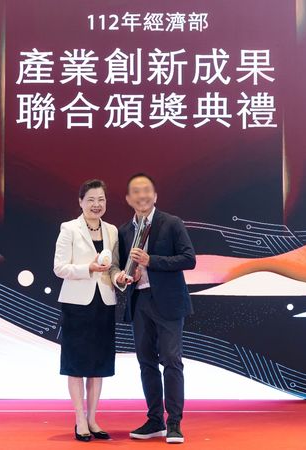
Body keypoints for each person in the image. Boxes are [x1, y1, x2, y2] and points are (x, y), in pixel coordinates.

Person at [115, 173, 196, 445]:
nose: (142, 196)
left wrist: (152, 261)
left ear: (155, 195)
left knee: (171, 360)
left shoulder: (171, 223)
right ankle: (154, 420)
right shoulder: (124, 231)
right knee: (146, 362)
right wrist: (129, 276)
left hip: (169, 302)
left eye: (147, 190)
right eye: (136, 191)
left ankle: (174, 423)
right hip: (139, 301)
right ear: (128, 199)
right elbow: (123, 267)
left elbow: (189, 259)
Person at [53, 179, 122, 442]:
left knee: (98, 365)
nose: (96, 204)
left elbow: (113, 266)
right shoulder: (69, 228)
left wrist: (119, 278)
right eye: (91, 199)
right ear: (80, 202)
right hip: (76, 305)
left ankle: (93, 419)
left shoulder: (112, 230)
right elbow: (59, 268)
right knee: (76, 364)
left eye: (101, 199)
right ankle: (80, 419)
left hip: (104, 303)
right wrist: (88, 269)